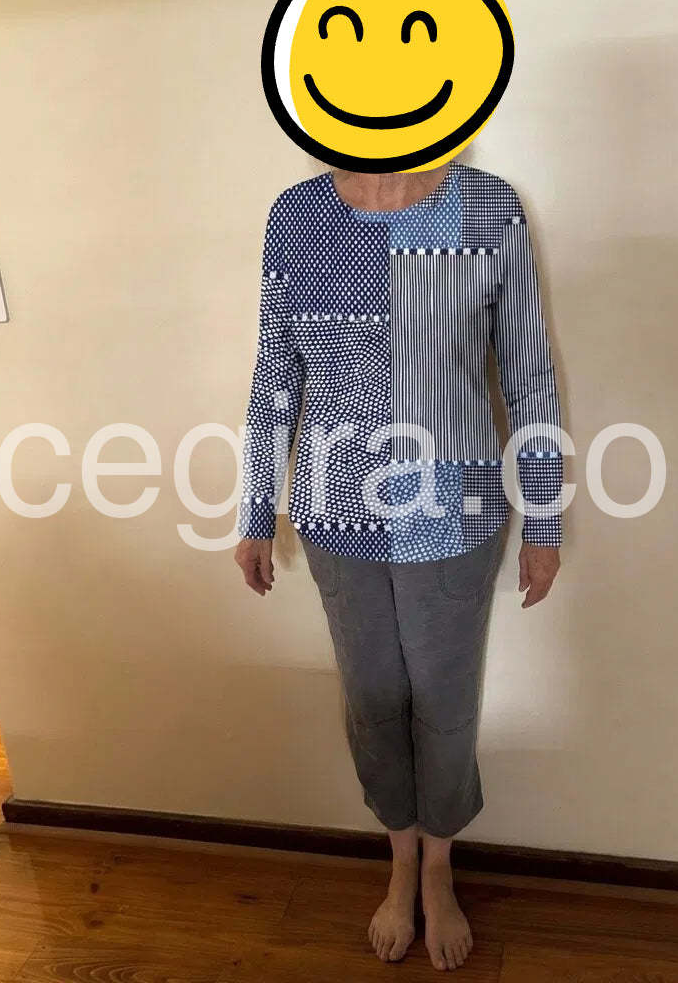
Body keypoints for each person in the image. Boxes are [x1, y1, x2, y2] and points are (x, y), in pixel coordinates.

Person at [235, 159, 562, 971]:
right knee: (372, 703)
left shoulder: (486, 206)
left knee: (445, 704)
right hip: (336, 512)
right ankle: (400, 859)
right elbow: (276, 373)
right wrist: (255, 510)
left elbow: (527, 375)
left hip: (454, 512)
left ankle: (439, 867)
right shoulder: (296, 215)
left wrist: (545, 518)